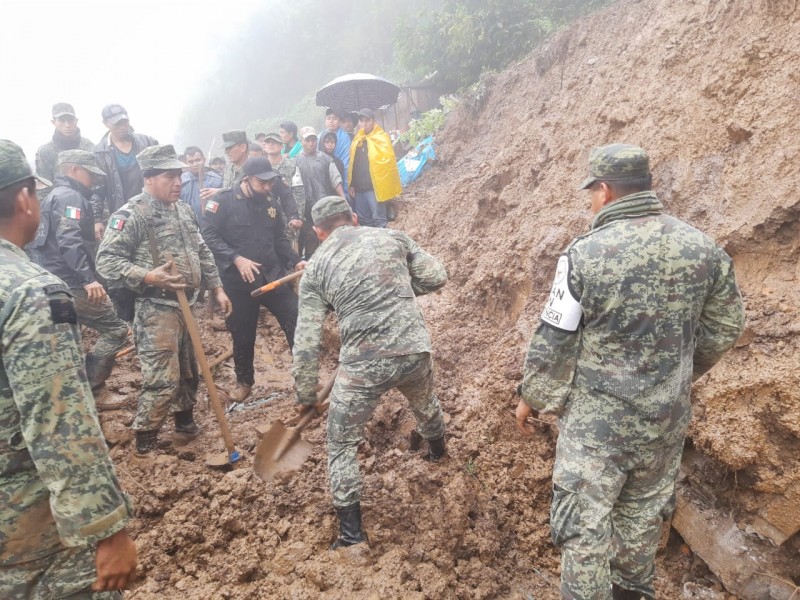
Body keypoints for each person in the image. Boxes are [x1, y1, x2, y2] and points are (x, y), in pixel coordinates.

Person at [515, 144, 745, 600]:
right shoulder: (701, 247)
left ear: (603, 190)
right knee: (641, 519)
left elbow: (554, 338)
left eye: (592, 193)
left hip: (597, 428)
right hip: (664, 421)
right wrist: (680, 374)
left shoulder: (583, 255)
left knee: (583, 526)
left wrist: (532, 398)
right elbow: (725, 327)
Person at [0, 139, 137, 598]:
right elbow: (59, 423)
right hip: (28, 532)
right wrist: (107, 527)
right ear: (25, 199)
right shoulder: (30, 294)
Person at [293, 196, 448, 550]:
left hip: (364, 364)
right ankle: (438, 454)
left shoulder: (315, 269)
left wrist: (305, 396)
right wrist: (399, 290)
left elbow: (306, 341)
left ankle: (351, 537)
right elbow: (438, 276)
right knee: (425, 403)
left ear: (318, 232)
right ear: (354, 218)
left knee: (341, 442)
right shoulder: (391, 237)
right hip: (414, 350)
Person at [96, 145, 232, 456]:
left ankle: (184, 426)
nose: (178, 183)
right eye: (170, 176)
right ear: (149, 179)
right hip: (156, 309)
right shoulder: (133, 214)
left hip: (187, 305)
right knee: (162, 378)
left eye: (180, 176)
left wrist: (217, 287)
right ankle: (146, 443)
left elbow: (201, 250)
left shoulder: (182, 209)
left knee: (188, 372)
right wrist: (147, 275)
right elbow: (106, 261)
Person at [202, 157, 306, 404]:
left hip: (273, 277)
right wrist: (236, 258)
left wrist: (295, 260)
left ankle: (305, 378)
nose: (268, 187)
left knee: (297, 319)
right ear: (246, 179)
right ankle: (244, 381)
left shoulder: (271, 202)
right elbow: (208, 236)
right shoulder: (222, 201)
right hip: (238, 284)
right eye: (263, 182)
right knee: (242, 333)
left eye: (270, 182)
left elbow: (280, 238)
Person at [28, 150, 129, 393]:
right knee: (116, 329)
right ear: (74, 170)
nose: (94, 179)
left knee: (69, 335)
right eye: (90, 173)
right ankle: (93, 386)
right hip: (71, 285)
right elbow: (68, 240)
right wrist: (88, 280)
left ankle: (72, 388)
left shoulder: (52, 196)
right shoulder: (70, 197)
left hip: (51, 285)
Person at [92, 104, 158, 241]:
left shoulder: (148, 142)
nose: (122, 127)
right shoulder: (99, 153)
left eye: (125, 122)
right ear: (106, 124)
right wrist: (97, 219)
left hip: (152, 209)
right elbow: (97, 190)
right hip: (121, 212)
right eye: (117, 124)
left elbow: (164, 173)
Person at [294, 127, 344, 259]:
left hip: (325, 206)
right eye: (307, 140)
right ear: (301, 142)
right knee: (310, 239)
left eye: (313, 140)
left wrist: (342, 198)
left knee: (330, 237)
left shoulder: (325, 159)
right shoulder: (295, 162)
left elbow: (336, 179)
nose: (311, 143)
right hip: (306, 210)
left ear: (317, 141)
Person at [348, 108, 402, 228]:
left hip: (375, 188)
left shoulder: (381, 138)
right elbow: (353, 164)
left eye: (368, 120)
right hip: (358, 190)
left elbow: (387, 164)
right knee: (364, 221)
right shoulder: (357, 140)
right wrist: (351, 184)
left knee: (379, 220)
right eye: (361, 121)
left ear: (373, 121)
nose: (364, 124)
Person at [35, 102, 94, 200]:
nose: (67, 125)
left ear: (76, 121)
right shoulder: (45, 151)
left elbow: (98, 185)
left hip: (88, 205)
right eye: (62, 120)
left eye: (71, 120)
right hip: (58, 207)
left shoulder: (89, 147)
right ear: (53, 122)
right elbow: (43, 189)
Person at [180, 145, 223, 219]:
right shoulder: (180, 181)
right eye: (191, 161)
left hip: (212, 223)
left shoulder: (217, 180)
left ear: (204, 160)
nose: (195, 164)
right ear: (185, 163)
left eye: (198, 160)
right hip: (188, 224)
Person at [318, 109, 352, 191]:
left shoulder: (344, 138)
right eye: (328, 118)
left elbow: (346, 163)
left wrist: (346, 187)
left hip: (339, 174)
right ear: (325, 121)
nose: (331, 121)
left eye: (335, 119)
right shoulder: (319, 136)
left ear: (340, 122)